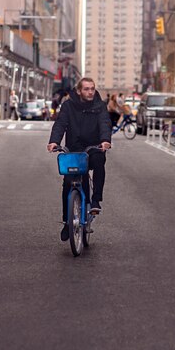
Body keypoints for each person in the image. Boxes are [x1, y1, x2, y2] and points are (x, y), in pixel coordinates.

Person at [47, 77, 112, 242]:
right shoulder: (68, 106)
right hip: (74, 149)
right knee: (68, 182)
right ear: (79, 91)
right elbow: (60, 124)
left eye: (92, 88)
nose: (90, 92)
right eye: (86, 89)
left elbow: (105, 123)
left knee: (99, 162)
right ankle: (67, 222)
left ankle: (96, 199)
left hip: (93, 147)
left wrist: (105, 141)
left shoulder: (100, 106)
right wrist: (54, 141)